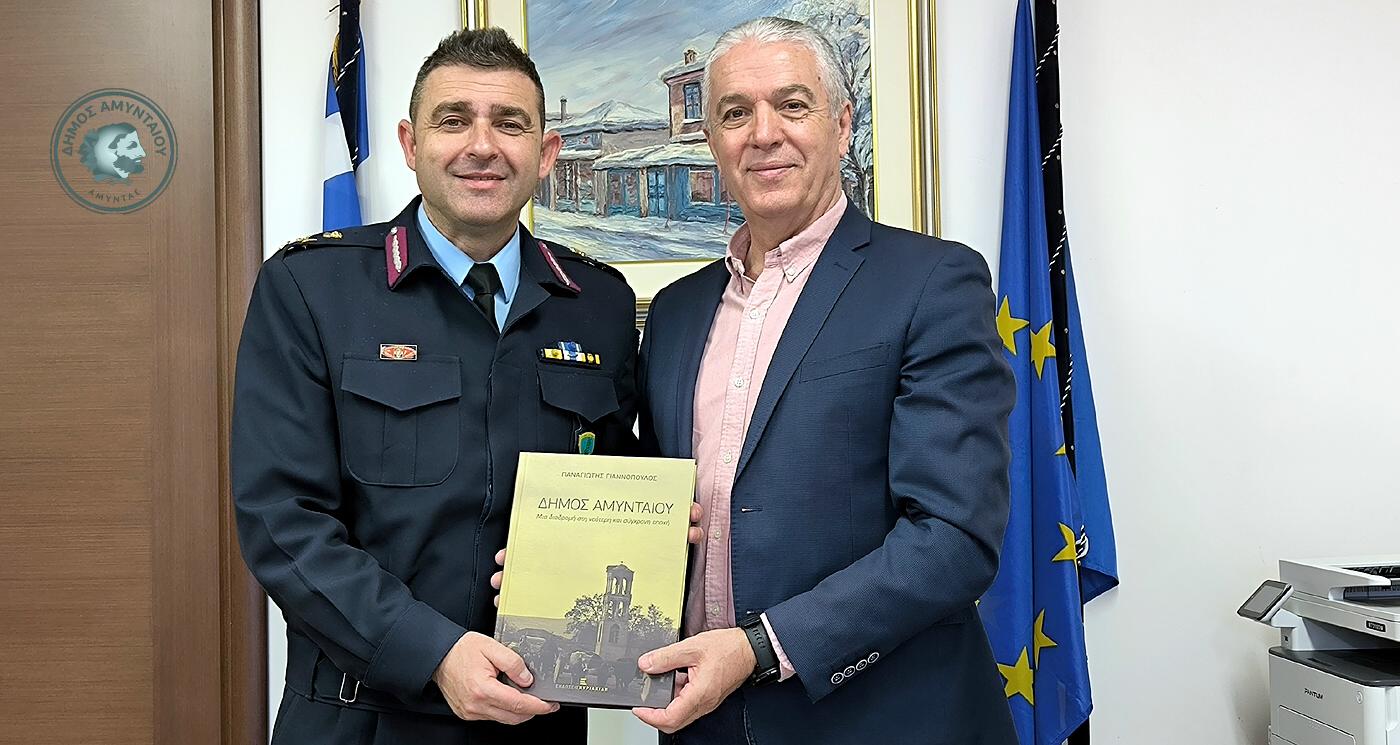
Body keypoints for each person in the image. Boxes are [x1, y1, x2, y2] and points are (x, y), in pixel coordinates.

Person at [232, 27, 641, 745]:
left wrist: (657, 529)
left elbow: (614, 486)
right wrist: (432, 652)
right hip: (360, 718)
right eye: (453, 120)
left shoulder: (598, 303)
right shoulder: (311, 288)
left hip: (534, 718)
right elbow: (281, 519)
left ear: (545, 154)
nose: (482, 145)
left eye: (509, 123)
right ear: (410, 143)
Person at [629, 17, 1020, 745]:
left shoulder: (933, 282)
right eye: (735, 113)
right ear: (711, 142)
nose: (763, 133)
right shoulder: (677, 311)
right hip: (701, 724)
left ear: (841, 126)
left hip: (881, 720)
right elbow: (657, 503)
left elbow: (954, 536)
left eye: (792, 105)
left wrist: (759, 647)